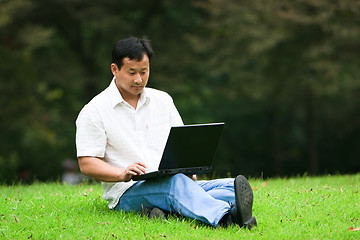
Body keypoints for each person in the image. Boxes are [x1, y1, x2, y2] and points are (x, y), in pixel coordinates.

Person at [75, 37, 257, 229]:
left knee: (231, 187)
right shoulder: (94, 110)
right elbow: (87, 163)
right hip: (128, 191)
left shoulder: (163, 100)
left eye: (144, 72)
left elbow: (182, 144)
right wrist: (122, 173)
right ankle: (226, 218)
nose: (138, 79)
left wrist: (188, 169)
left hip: (172, 180)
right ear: (114, 69)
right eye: (132, 72)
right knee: (177, 186)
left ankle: (166, 209)